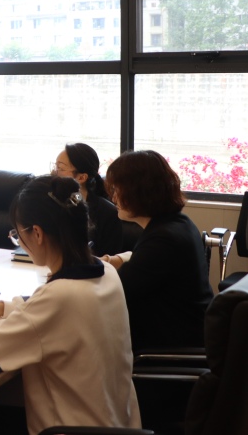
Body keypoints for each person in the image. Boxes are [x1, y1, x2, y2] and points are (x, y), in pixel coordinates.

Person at [0, 176, 140, 435]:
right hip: (117, 423)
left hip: (69, 429)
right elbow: (56, 312)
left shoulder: (58, 297)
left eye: (17, 235)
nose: (20, 242)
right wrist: (1, 308)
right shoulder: (107, 273)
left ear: (37, 233)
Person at [101, 149, 212, 350]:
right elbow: (145, 264)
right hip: (188, 333)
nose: (114, 198)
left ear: (138, 192)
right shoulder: (179, 223)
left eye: (117, 190)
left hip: (166, 348)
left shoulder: (163, 239)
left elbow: (115, 290)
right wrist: (115, 260)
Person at [52, 143, 123, 257]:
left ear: (81, 177)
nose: (54, 173)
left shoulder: (107, 213)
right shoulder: (52, 202)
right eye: (55, 166)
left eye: (60, 168)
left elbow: (108, 260)